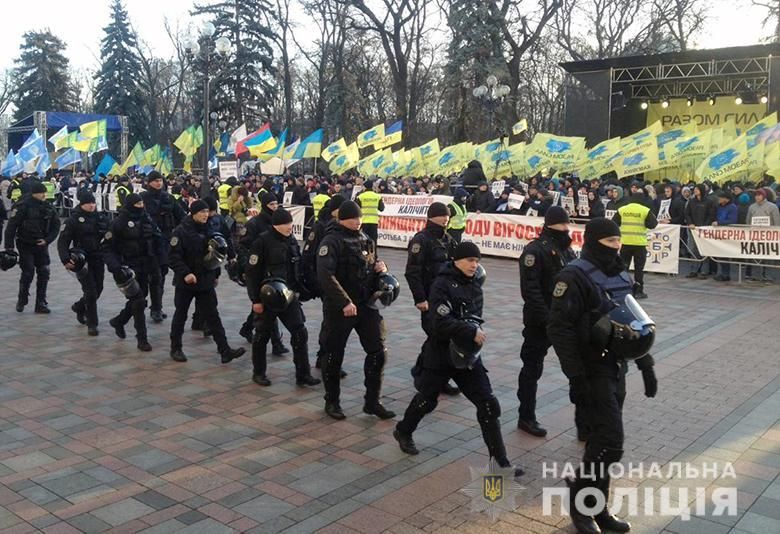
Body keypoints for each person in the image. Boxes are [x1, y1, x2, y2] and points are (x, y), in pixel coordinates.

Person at [547, 217, 657, 534]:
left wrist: (645, 363)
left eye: (618, 241)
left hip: (615, 366)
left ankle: (598, 508)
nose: (616, 246)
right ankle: (581, 505)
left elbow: (630, 323)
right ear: (594, 242)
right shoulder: (573, 276)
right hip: (590, 369)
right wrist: (575, 377)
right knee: (611, 441)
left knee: (601, 442)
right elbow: (559, 329)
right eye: (610, 242)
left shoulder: (619, 272)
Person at [393, 241, 524, 477]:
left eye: (477, 261)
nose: (474, 265)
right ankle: (403, 430)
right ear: (456, 260)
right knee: (427, 400)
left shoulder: (475, 286)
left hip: (467, 356)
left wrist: (472, 332)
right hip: (440, 355)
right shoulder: (441, 284)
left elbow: (475, 317)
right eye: (470, 260)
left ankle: (501, 463)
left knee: (488, 404)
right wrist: (470, 331)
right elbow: (439, 323)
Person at [317, 200, 395, 420]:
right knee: (333, 354)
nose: (357, 221)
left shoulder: (366, 239)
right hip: (340, 307)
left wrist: (382, 268)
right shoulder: (331, 241)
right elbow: (325, 274)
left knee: (378, 351)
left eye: (359, 218)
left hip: (365, 304)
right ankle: (332, 401)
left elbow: (372, 263)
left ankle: (373, 401)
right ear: (342, 219)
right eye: (353, 218)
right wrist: (344, 302)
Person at [516, 207, 576, 437]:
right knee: (532, 368)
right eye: (563, 224)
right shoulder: (535, 251)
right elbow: (530, 291)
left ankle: (583, 419)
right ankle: (526, 416)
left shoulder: (566, 249)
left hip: (565, 320)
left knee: (575, 367)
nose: (566, 228)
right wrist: (547, 318)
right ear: (552, 224)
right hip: (540, 322)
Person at [245, 207, 321, 387]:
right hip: (268, 297)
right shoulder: (262, 242)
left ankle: (303, 374)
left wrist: (302, 289)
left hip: (289, 296)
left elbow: (297, 266)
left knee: (300, 332)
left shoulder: (291, 241)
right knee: (261, 336)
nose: (290, 226)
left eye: (290, 223)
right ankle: (259, 372)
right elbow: (252, 273)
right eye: (286, 223)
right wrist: (255, 300)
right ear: (277, 225)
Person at [167, 199, 246, 364]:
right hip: (186, 282)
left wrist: (215, 274)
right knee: (181, 315)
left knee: (213, 315)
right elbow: (173, 257)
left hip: (205, 280)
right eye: (201, 212)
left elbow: (215, 255)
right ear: (193, 213)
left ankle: (224, 350)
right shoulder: (180, 232)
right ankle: (176, 348)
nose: (205, 215)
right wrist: (186, 273)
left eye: (206, 212)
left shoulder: (210, 228)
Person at [405, 202, 461, 397]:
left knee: (440, 339)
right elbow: (413, 271)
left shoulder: (448, 239)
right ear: (431, 217)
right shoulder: (421, 240)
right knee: (437, 337)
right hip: (429, 298)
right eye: (442, 216)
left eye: (447, 216)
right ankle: (425, 376)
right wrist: (420, 298)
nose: (446, 219)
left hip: (447, 299)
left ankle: (433, 376)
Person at [102, 193, 160, 352]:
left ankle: (119, 321)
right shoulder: (118, 223)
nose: (141, 206)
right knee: (139, 301)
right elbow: (107, 248)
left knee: (139, 299)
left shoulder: (147, 219)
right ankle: (142, 339)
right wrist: (116, 267)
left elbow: (157, 240)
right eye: (138, 203)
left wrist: (162, 261)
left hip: (146, 265)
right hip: (127, 268)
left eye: (142, 202)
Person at [301, 195, 348, 378]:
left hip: (340, 282)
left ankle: (324, 356)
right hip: (326, 281)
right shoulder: (321, 226)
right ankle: (326, 358)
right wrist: (315, 282)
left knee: (332, 323)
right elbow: (308, 255)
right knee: (331, 323)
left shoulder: (342, 226)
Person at [237, 192, 290, 355]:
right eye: (271, 205)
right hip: (260, 270)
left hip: (276, 272)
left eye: (276, 204)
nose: (274, 207)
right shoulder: (254, 224)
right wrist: (247, 265)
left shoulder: (280, 222)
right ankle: (276, 343)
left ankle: (247, 328)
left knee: (266, 305)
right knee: (268, 305)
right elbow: (243, 246)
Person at [56, 191, 109, 335]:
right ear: (81, 204)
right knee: (90, 292)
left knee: (98, 289)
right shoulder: (73, 220)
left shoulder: (101, 218)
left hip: (98, 258)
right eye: (88, 203)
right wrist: (65, 259)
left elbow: (111, 235)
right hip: (82, 260)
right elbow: (63, 241)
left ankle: (79, 306)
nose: (91, 206)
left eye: (93, 203)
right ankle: (92, 324)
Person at [4, 181, 60, 313]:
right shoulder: (23, 206)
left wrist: (47, 240)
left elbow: (56, 226)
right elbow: (11, 226)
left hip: (41, 245)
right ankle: (22, 298)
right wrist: (9, 247)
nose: (44, 195)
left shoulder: (48, 207)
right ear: (35, 193)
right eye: (42, 193)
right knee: (28, 271)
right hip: (25, 243)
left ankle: (41, 302)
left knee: (44, 271)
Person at [141, 171, 186, 323]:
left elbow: (182, 217)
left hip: (165, 243)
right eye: (155, 181)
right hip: (148, 243)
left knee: (160, 275)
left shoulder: (169, 198)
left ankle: (156, 307)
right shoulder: (143, 199)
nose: (158, 183)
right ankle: (144, 305)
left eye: (160, 180)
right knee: (151, 277)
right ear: (149, 182)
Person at [612, 188, 658, 299]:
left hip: (625, 243)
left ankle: (622, 289)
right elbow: (653, 224)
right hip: (639, 244)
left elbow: (614, 223)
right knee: (639, 269)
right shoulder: (645, 210)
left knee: (624, 267)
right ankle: (638, 291)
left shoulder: (622, 209)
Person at [685, 184, 716, 278]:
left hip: (704, 229)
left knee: (703, 249)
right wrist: (690, 223)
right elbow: (687, 213)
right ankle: (694, 269)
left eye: (697, 189)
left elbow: (711, 215)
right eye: (695, 189)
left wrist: (704, 225)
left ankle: (704, 271)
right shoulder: (691, 201)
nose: (695, 190)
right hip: (693, 229)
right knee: (693, 249)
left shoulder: (709, 201)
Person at [713, 191, 738, 282]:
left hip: (727, 233)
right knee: (720, 254)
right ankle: (723, 273)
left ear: (725, 199)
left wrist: (719, 222)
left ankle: (726, 274)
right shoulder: (719, 206)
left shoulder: (732, 207)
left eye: (720, 198)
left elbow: (732, 220)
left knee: (724, 254)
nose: (718, 200)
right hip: (719, 232)